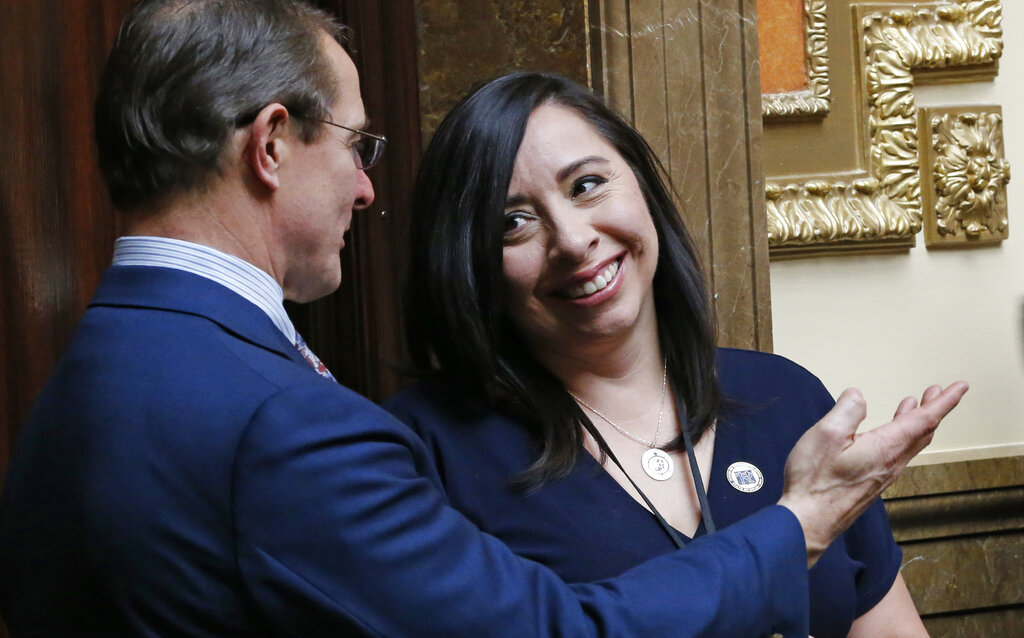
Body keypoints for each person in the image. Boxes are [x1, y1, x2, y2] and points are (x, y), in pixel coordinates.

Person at [0, 1, 965, 635]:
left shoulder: (90, 379)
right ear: (270, 145)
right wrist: (796, 525)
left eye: (592, 184)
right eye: (358, 144)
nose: (367, 191)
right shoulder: (297, 422)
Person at [385, 72, 965, 638]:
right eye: (513, 222)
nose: (572, 238)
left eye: (586, 185)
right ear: (467, 261)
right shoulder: (424, 450)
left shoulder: (786, 397)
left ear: (641, 185)